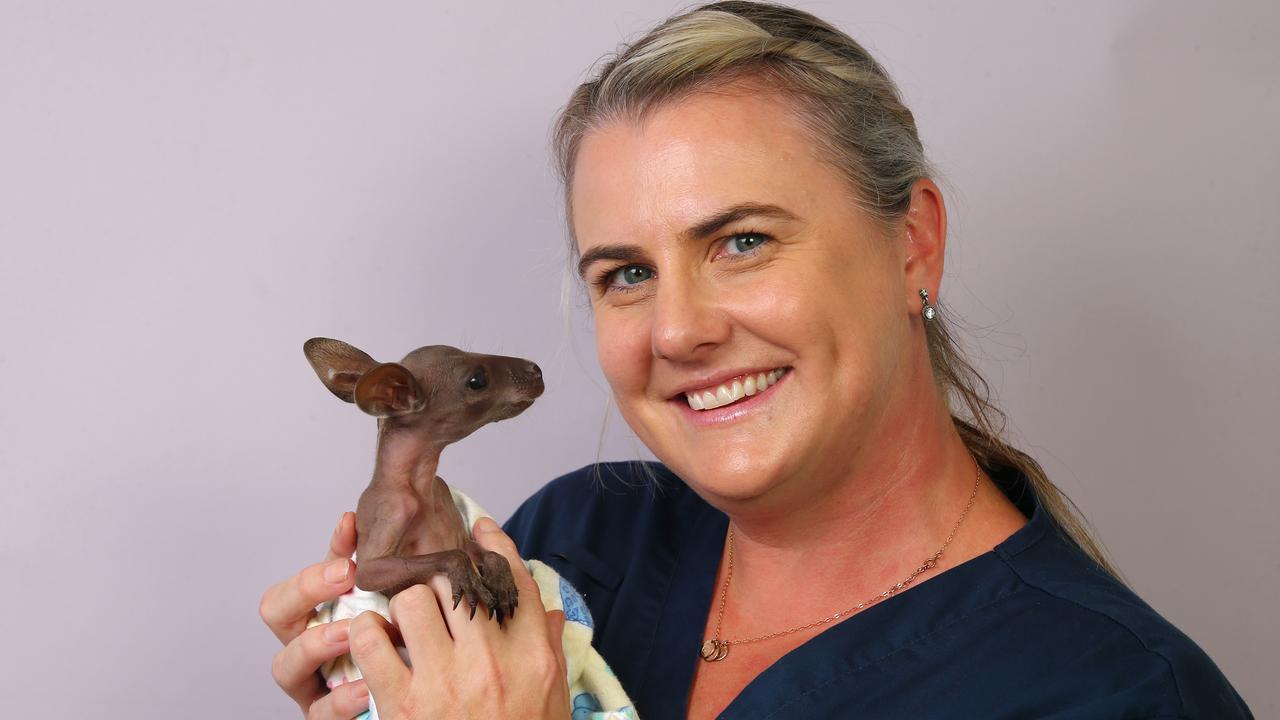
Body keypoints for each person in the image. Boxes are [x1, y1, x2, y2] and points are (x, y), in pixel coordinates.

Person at [258, 2, 1255, 718]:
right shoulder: (576, 542)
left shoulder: (1112, 694)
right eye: (624, 273)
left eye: (739, 242)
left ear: (912, 243)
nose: (677, 331)